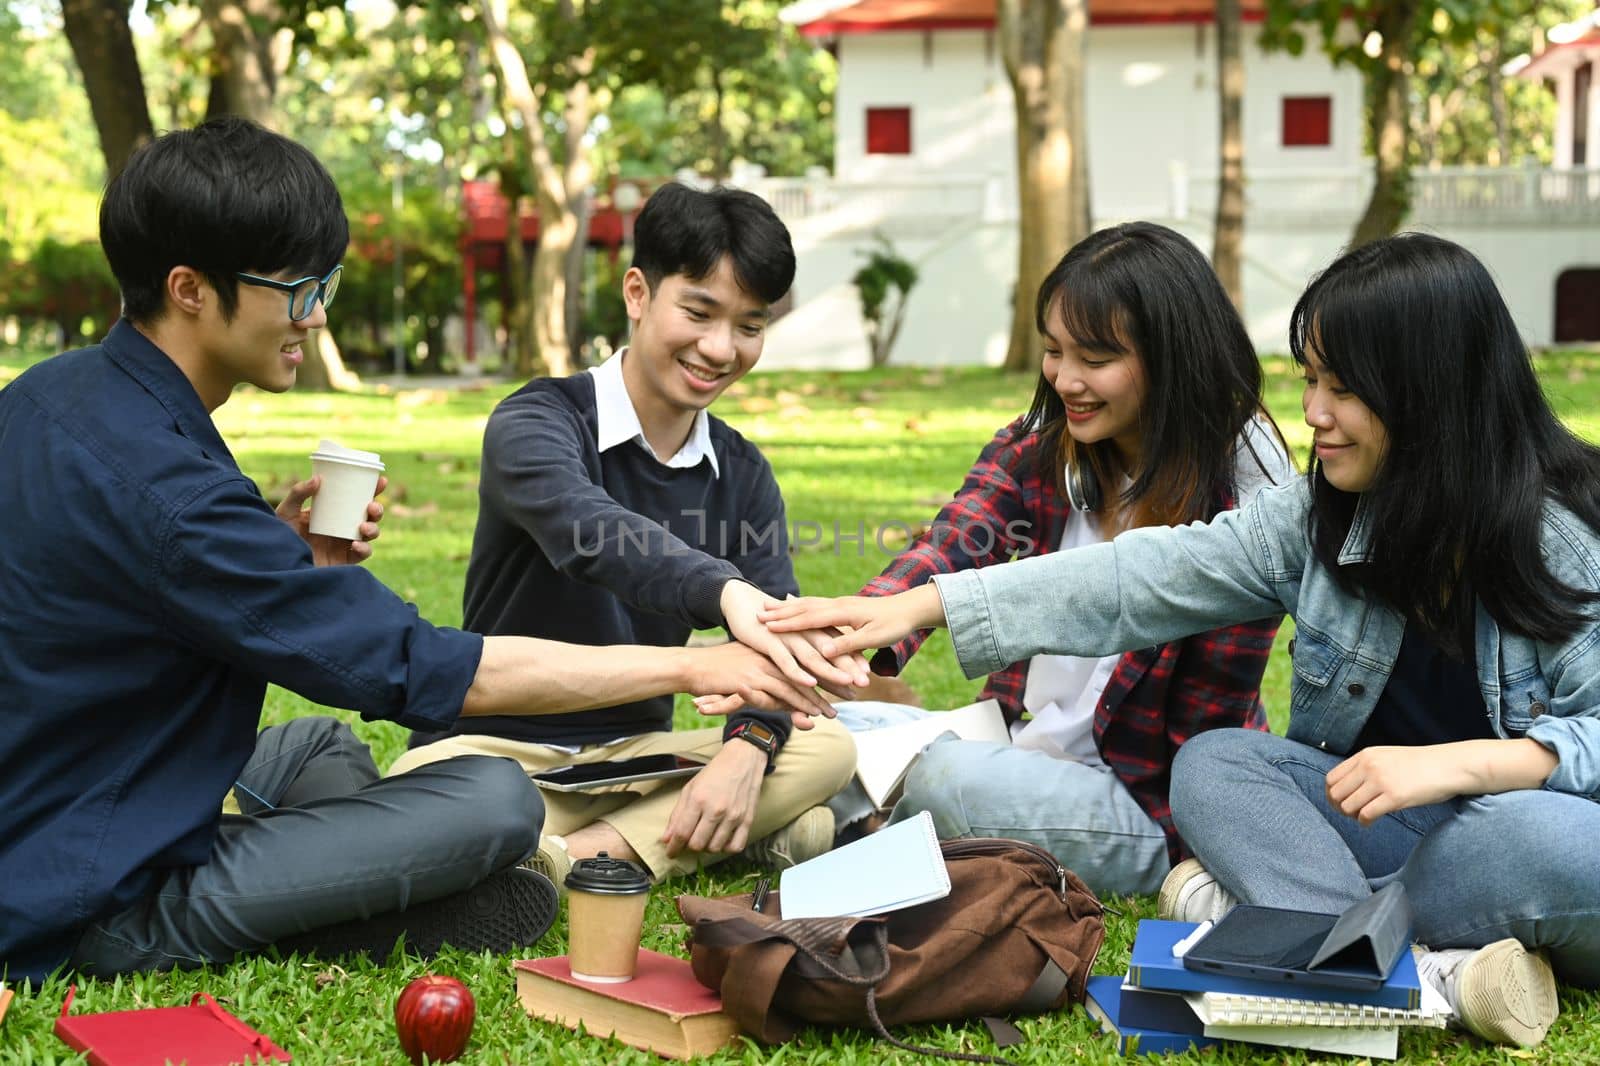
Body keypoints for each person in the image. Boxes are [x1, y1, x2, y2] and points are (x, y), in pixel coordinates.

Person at [0, 118, 830, 985]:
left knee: (315, 747)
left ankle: (381, 872)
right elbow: (427, 664)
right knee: (491, 798)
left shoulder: (50, 396)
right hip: (95, 891)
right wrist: (692, 669)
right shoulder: (183, 491)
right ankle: (379, 905)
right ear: (190, 289)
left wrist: (280, 561)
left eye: (324, 283)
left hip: (73, 780)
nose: (317, 315)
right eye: (298, 287)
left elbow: (123, 596)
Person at [761, 233, 1599, 1048]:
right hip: (1377, 835)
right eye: (1310, 381)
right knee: (1221, 764)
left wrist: (1460, 765)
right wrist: (924, 607)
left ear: (1429, 391)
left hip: (1504, 837)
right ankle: (1402, 961)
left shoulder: (1564, 538)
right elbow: (1141, 577)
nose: (1313, 413)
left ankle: (1297, 927)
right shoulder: (1320, 513)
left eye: (1341, 389)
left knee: (1546, 838)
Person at [389, 182, 859, 887]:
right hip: (494, 754)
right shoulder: (537, 421)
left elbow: (779, 650)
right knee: (418, 799)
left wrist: (745, 753)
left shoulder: (742, 472)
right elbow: (593, 533)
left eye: (749, 326)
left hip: (636, 755)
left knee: (827, 749)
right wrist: (722, 592)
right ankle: (728, 834)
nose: (720, 348)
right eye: (698, 312)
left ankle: (571, 859)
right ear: (638, 294)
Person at [821, 222, 1292, 896]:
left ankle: (860, 824)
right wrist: (841, 641)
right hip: (1013, 747)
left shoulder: (1243, 504)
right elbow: (952, 543)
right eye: (1053, 351)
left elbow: (1203, 732)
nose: (1065, 380)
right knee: (818, 729)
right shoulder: (1046, 449)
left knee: (949, 780)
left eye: (1095, 358)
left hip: (1140, 798)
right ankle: (867, 822)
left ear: (1172, 356)